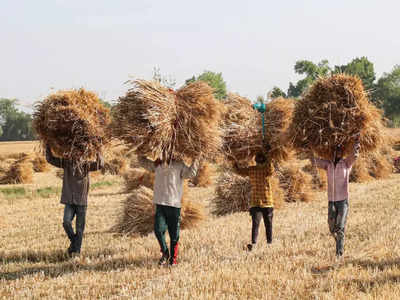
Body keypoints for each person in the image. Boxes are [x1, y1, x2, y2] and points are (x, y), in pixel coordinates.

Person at [139, 155, 200, 266]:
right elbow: (145, 163)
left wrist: (196, 158)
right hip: (160, 203)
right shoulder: (158, 164)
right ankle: (165, 253)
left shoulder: (179, 164)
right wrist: (140, 152)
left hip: (174, 204)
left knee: (174, 234)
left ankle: (173, 259)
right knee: (158, 230)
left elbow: (191, 174)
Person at [46, 145, 104, 257]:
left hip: (81, 201)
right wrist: (47, 145)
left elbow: (100, 164)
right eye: (75, 153)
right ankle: (74, 243)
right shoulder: (67, 163)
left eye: (79, 153)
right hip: (69, 200)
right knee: (66, 222)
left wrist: (98, 150)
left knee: (79, 229)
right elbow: (50, 159)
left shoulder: (86, 165)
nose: (77, 155)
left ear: (82, 154)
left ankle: (76, 252)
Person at [310, 134, 360, 259]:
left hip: (342, 200)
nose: (337, 152)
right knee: (332, 227)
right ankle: (338, 241)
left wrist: (356, 142)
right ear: (333, 152)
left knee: (340, 226)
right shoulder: (328, 165)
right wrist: (309, 148)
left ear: (342, 152)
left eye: (339, 150)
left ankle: (339, 252)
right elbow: (314, 161)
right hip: (331, 200)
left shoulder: (346, 164)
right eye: (336, 150)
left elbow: (355, 155)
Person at [234, 152, 274, 251]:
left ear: (255, 161)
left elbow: (238, 171)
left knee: (255, 225)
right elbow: (271, 168)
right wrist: (269, 155)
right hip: (267, 201)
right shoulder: (267, 170)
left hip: (255, 202)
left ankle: (254, 243)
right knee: (268, 224)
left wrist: (233, 160)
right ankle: (269, 243)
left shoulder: (251, 170)